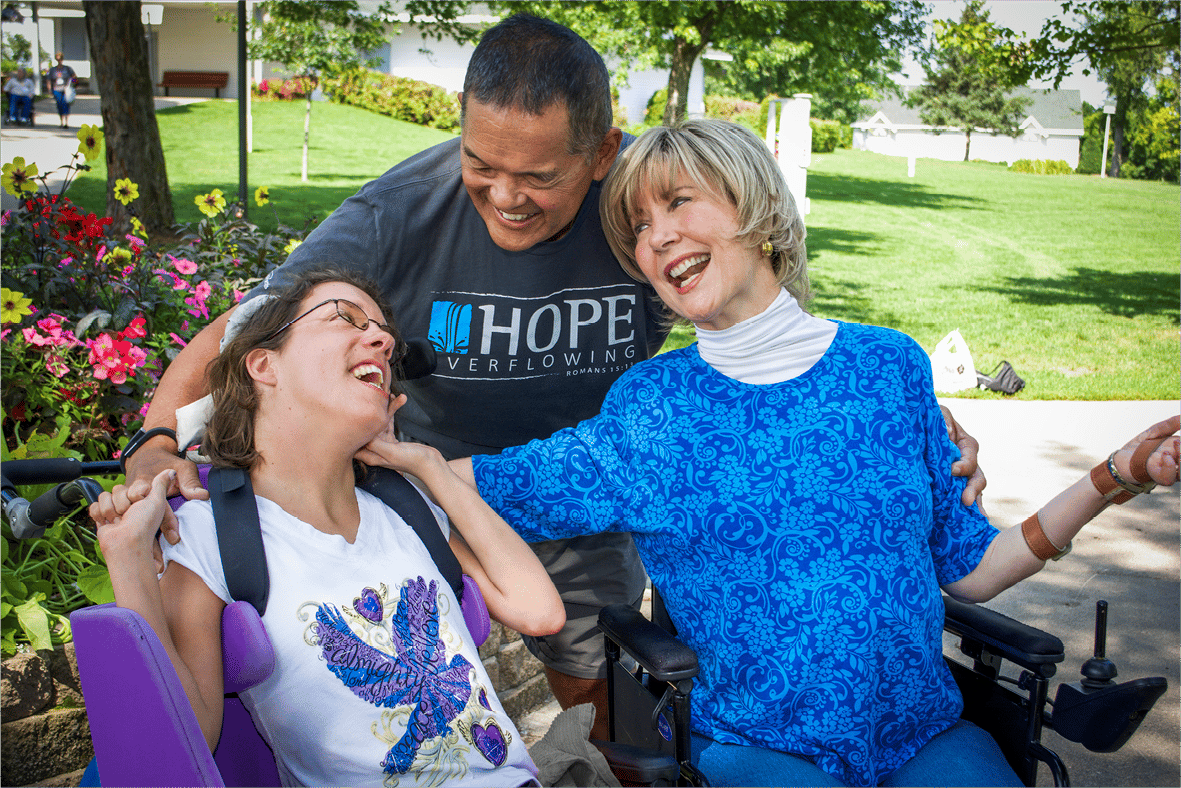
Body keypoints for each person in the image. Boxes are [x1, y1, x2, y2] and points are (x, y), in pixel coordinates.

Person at [120, 14, 984, 738]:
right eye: (481, 165)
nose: (505, 196)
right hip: (430, 491)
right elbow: (247, 330)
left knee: (602, 701)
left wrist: (893, 419)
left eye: (538, 176)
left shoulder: (646, 203)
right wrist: (157, 438)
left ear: (601, 151)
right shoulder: (396, 213)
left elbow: (760, 300)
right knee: (402, 695)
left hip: (588, 488)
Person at [454, 120, 1181, 788]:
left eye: (678, 203)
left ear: (758, 209)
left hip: (919, 734)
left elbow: (976, 570)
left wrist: (1114, 475)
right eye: (640, 226)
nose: (658, 237)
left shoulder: (888, 367)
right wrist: (402, 462)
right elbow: (492, 486)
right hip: (754, 745)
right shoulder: (652, 408)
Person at [90, 268, 568, 787]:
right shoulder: (209, 533)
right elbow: (184, 743)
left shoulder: (405, 509)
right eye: (345, 317)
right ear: (263, 364)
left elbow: (539, 611)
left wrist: (429, 466)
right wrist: (129, 561)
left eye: (384, 336)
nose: (383, 340)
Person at [46, 52, 76, 128]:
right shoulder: (52, 70)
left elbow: (74, 77)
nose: (59, 61)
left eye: (60, 59)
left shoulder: (67, 69)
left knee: (65, 104)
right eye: (57, 59)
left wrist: (73, 84)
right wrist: (49, 89)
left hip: (66, 89)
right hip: (56, 89)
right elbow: (48, 80)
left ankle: (66, 122)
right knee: (59, 104)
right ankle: (61, 122)